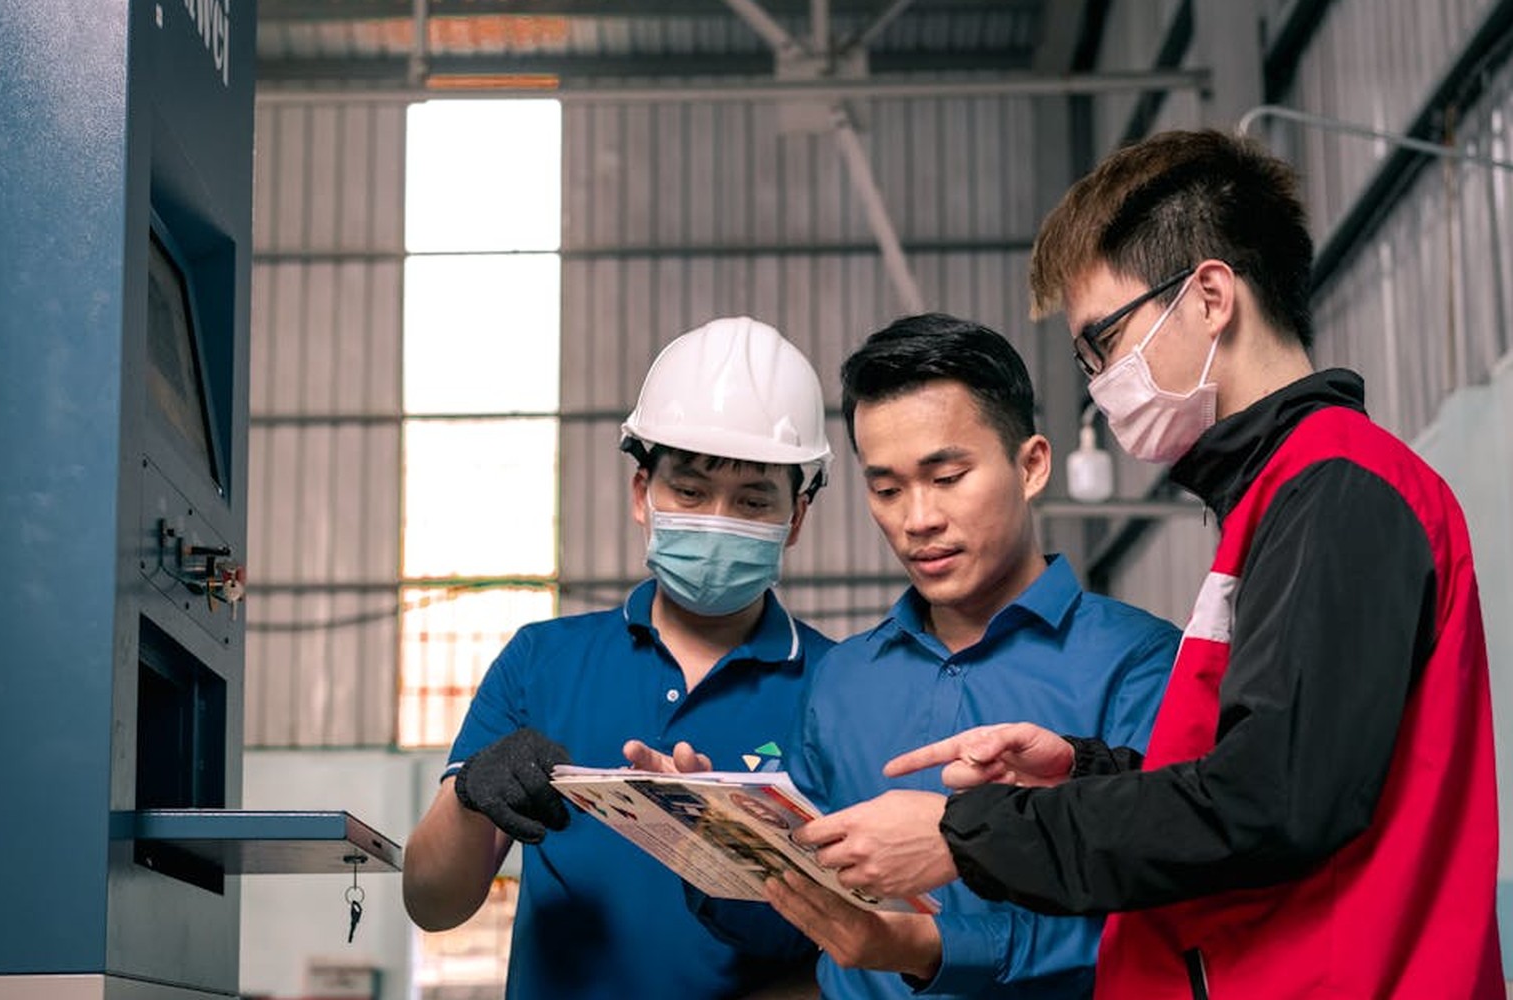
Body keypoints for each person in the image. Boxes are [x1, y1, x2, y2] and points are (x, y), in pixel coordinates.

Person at [800, 130, 1503, 999]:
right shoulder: (1280, 496)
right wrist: (1085, 770)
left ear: (1210, 296)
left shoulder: (1336, 491)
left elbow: (1272, 804)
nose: (1101, 381)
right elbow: (1274, 772)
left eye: (1106, 341)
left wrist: (965, 834)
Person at [640, 315, 1180, 999]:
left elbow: (1164, 917)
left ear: (1031, 464)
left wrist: (930, 948)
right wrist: (718, 848)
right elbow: (805, 923)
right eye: (886, 489)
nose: (916, 518)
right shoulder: (844, 679)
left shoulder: (1140, 667)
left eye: (947, 476)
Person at [402, 316, 835, 1000]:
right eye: (690, 491)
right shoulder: (542, 662)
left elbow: (853, 953)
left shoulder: (842, 687)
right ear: (643, 493)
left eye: (753, 500)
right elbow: (433, 902)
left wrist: (733, 857)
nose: (717, 517)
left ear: (796, 519)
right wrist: (470, 797)